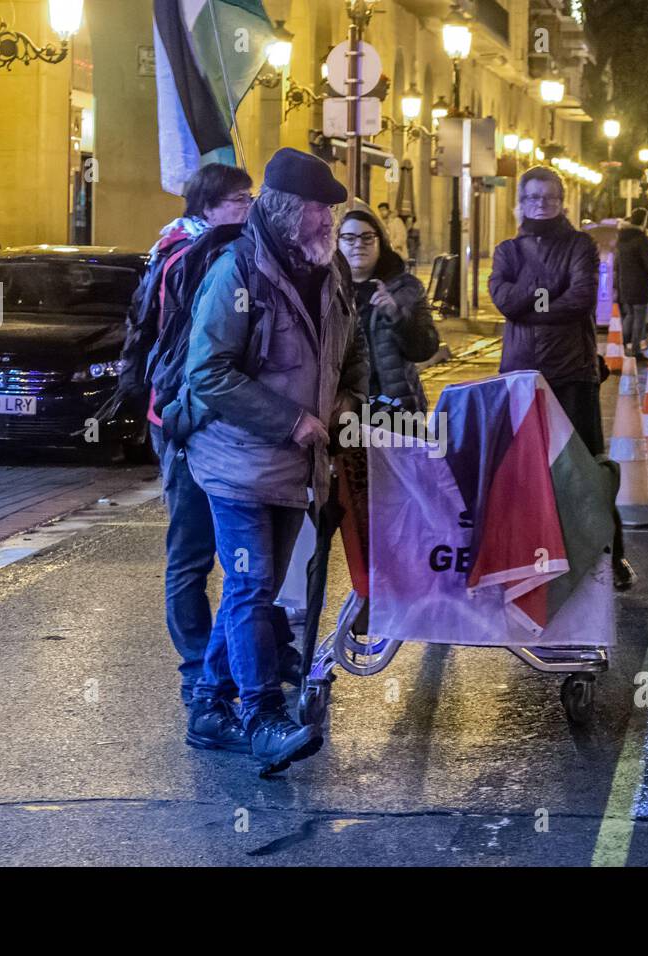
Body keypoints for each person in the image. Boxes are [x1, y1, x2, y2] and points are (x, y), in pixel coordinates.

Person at [183, 148, 368, 773]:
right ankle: (261, 716)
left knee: (251, 592)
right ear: (289, 210)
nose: (330, 222)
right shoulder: (237, 272)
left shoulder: (330, 267)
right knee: (252, 584)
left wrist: (348, 402)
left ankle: (208, 707)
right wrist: (290, 419)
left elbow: (354, 350)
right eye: (321, 210)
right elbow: (207, 373)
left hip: (298, 466)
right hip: (236, 462)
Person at [115, 163, 262, 711]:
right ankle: (197, 668)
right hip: (181, 418)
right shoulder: (190, 257)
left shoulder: (200, 249)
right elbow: (190, 353)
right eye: (238, 199)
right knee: (192, 549)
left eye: (250, 197)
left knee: (237, 554)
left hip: (202, 415)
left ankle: (228, 661)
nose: (248, 207)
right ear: (207, 207)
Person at [489, 164, 634, 589]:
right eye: (533, 197)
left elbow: (581, 299)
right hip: (520, 377)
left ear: (561, 201)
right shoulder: (507, 251)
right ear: (521, 201)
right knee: (521, 473)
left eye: (548, 197)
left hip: (573, 374)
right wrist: (547, 294)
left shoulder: (580, 244)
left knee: (587, 473)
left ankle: (612, 557)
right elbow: (504, 300)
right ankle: (528, 559)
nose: (541, 204)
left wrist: (531, 301)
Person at [338, 209, 439, 413]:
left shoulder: (405, 288)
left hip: (395, 408)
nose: (358, 244)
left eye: (367, 238)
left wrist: (397, 315)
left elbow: (425, 348)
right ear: (337, 243)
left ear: (380, 242)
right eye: (349, 238)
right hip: (342, 410)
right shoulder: (327, 289)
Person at [615, 207, 648, 359]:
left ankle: (622, 346)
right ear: (643, 221)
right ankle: (636, 350)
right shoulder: (641, 239)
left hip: (624, 284)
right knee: (639, 318)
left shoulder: (622, 238)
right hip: (639, 285)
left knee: (629, 316)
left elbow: (618, 264)